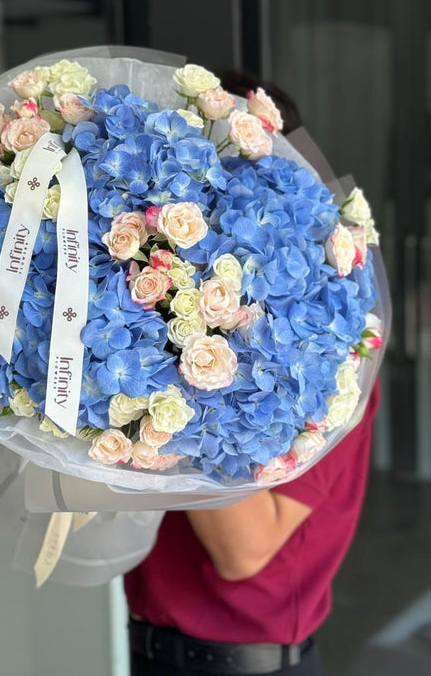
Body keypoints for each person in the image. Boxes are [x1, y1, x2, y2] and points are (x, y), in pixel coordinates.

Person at [124, 73, 382, 675]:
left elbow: (246, 551)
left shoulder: (328, 352)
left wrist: (182, 366)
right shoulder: (159, 320)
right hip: (147, 647)